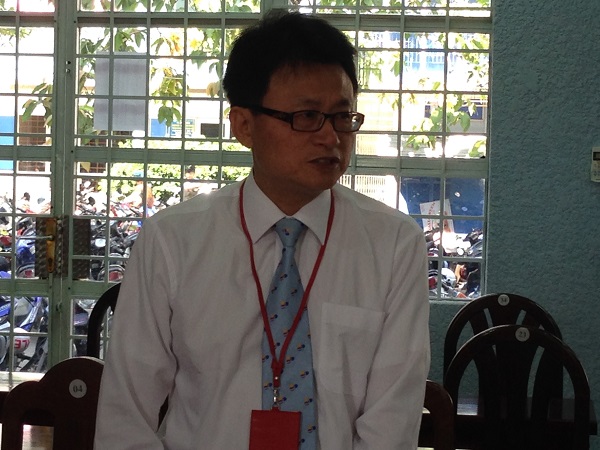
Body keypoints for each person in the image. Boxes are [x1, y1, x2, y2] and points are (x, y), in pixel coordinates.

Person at [94, 10, 429, 450]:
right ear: (244, 125)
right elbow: (126, 415)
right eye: (306, 116)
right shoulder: (172, 241)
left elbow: (392, 423)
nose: (331, 137)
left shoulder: (394, 245)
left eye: (342, 116)